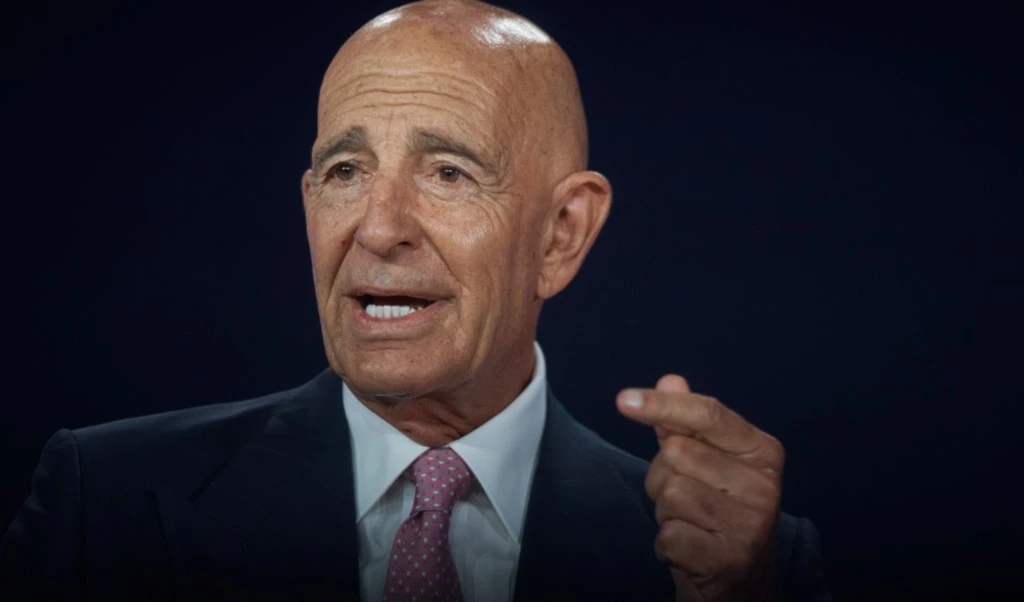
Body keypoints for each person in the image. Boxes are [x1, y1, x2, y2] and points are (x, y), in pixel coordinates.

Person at [1, 1, 830, 600]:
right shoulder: (102, 504)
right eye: (346, 172)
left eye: (448, 173)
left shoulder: (735, 564)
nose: (379, 229)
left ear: (561, 235)